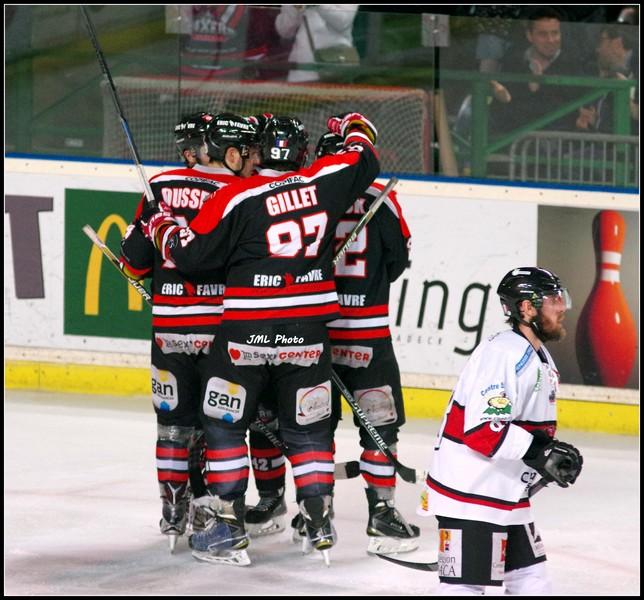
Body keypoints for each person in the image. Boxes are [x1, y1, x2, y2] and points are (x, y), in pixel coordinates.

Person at [139, 111, 380, 566]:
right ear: (302, 154)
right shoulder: (322, 182)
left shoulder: (235, 195)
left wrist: (160, 226)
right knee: (307, 430)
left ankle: (228, 529)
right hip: (307, 336)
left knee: (224, 424)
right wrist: (348, 124)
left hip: (244, 334)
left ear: (257, 153)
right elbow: (365, 154)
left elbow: (190, 256)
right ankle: (319, 524)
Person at [119, 112, 259, 552]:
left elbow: (134, 262)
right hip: (223, 329)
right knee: (220, 427)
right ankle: (213, 512)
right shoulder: (242, 191)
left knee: (173, 426)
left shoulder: (159, 187)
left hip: (171, 328)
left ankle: (173, 510)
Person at [419, 267, 583, 595]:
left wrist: (545, 456)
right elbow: (483, 430)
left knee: (532, 581)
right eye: (552, 299)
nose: (562, 306)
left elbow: (522, 426)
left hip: (502, 491)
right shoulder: (504, 353)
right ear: (527, 308)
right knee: (464, 587)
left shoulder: (535, 352)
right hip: (471, 494)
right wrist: (539, 452)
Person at [304, 131, 420, 555]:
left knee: (313, 427)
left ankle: (314, 514)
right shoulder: (379, 198)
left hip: (314, 335)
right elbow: (398, 259)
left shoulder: (303, 195)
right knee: (380, 423)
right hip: (367, 333)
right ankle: (382, 515)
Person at [490, 7, 582, 135]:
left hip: (558, 142)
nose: (551, 40)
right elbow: (502, 112)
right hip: (515, 141)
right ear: (529, 36)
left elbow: (573, 111)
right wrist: (528, 89)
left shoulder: (573, 65)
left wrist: (540, 87)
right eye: (543, 34)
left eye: (555, 33)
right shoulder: (513, 62)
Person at [576, 24, 638, 133]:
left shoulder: (632, 76)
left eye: (601, 41)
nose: (598, 49)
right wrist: (590, 122)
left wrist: (628, 102)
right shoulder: (588, 73)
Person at [275, 5, 359, 82]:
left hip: (336, 68)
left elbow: (343, 22)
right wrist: (296, 8)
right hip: (301, 72)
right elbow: (284, 31)